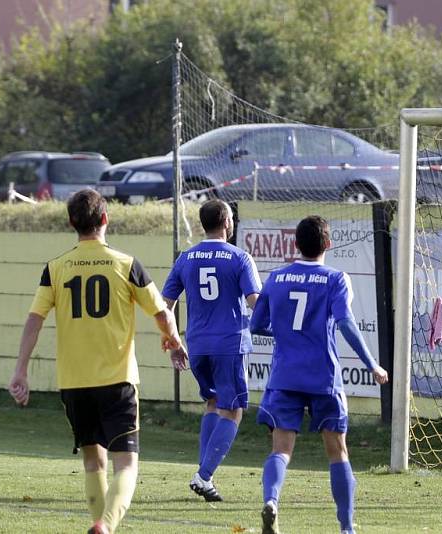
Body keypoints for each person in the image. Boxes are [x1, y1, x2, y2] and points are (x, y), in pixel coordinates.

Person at [8, 188, 184, 534]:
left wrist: (21, 370)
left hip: (74, 383)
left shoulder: (55, 268)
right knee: (127, 465)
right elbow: (162, 313)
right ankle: (105, 525)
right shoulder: (127, 264)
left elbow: (34, 318)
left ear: (72, 222)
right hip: (117, 381)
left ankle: (98, 523)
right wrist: (173, 340)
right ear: (106, 218)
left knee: (93, 461)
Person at [250, 215, 389, 534]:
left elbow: (257, 325)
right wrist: (371, 364)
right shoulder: (336, 278)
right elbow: (345, 324)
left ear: (295, 245)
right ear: (328, 243)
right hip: (323, 377)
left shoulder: (276, 277)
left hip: (285, 376)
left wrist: (283, 334)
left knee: (280, 448)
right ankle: (346, 527)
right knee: (337, 450)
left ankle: (271, 500)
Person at [161, 199, 262, 502]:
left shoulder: (186, 258)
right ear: (227, 223)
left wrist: (172, 341)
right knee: (233, 409)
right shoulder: (240, 258)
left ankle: (206, 475)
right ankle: (203, 476)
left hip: (198, 344)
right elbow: (255, 300)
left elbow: (165, 305)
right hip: (229, 344)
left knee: (212, 403)